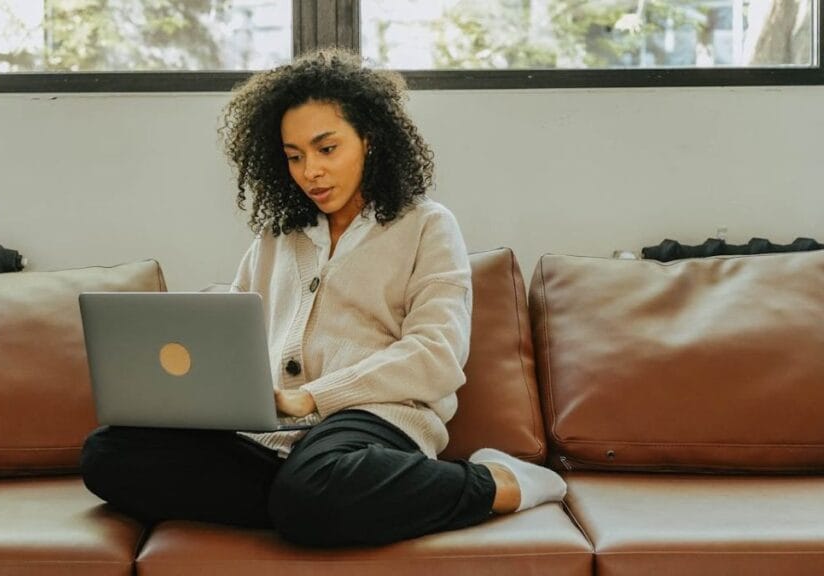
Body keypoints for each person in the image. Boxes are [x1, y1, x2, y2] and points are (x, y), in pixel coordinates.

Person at [80, 49, 566, 548]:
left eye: (326, 149)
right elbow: (234, 341)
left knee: (315, 486)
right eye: (294, 156)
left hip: (375, 422)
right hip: (270, 440)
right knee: (107, 454)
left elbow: (436, 356)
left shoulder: (427, 225)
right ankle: (316, 504)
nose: (310, 171)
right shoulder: (276, 237)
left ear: (370, 140)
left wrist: (313, 396)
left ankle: (496, 483)